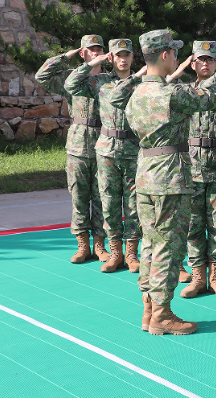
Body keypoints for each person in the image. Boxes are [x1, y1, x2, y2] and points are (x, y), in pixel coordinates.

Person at [122, 29, 216, 335]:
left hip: (146, 174)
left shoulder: (137, 93)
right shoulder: (171, 94)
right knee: (170, 247)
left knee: (150, 245)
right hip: (170, 178)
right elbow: (213, 98)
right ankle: (162, 315)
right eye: (175, 53)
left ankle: (148, 310)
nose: (177, 58)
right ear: (165, 55)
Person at [64, 38, 145, 273]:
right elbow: (71, 84)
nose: (122, 58)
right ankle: (115, 253)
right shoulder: (99, 81)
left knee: (133, 205)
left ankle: (131, 253)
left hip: (132, 149)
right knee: (108, 203)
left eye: (126, 54)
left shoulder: (139, 83)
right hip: (107, 149)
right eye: (117, 54)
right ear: (110, 57)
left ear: (132, 57)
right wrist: (92, 63)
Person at [35, 35, 108, 264]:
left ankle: (100, 245)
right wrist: (66, 56)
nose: (96, 53)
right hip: (78, 143)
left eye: (99, 49)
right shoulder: (70, 78)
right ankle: (82, 245)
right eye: (91, 50)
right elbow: (42, 76)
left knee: (101, 197)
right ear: (83, 53)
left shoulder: (111, 79)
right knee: (79, 196)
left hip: (105, 142)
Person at [169, 41, 216, 299]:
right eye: (200, 60)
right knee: (194, 224)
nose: (205, 64)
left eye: (210, 60)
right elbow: (161, 88)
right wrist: (178, 69)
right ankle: (197, 277)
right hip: (191, 166)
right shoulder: (183, 91)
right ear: (192, 64)